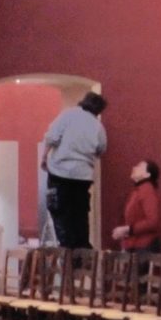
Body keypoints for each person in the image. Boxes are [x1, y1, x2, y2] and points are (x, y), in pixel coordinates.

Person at [41, 91, 107, 249]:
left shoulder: (68, 115)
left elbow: (52, 137)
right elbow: (101, 149)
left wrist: (44, 157)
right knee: (80, 216)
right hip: (83, 176)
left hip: (60, 173)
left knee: (60, 213)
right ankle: (82, 253)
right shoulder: (98, 126)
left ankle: (67, 250)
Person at [110, 160, 160, 252]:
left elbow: (152, 222)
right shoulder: (138, 191)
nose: (134, 168)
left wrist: (127, 229)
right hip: (135, 246)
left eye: (139, 166)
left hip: (143, 248)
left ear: (147, 175)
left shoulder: (147, 191)